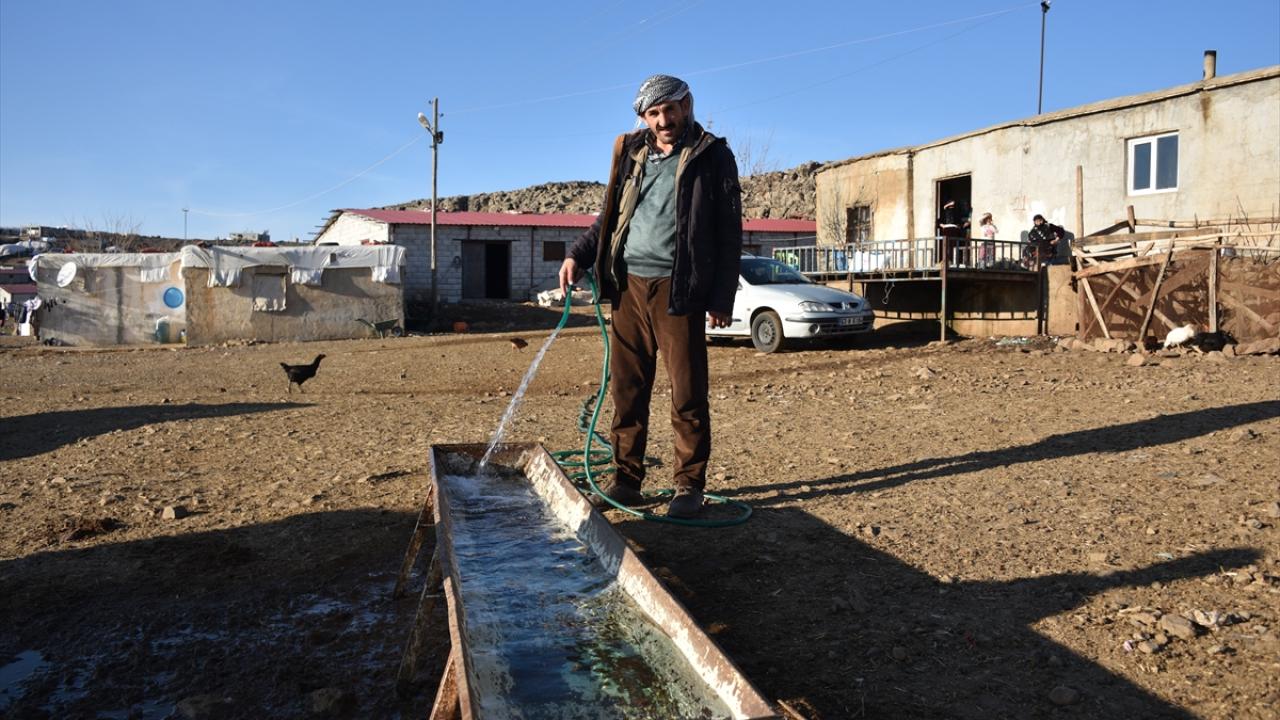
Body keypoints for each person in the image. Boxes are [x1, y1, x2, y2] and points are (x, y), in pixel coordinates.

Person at [559, 74, 742, 519]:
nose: (665, 120)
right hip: (628, 286)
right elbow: (611, 215)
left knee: (687, 389)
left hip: (678, 288)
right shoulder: (631, 153)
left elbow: (728, 231)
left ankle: (688, 486)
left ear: (687, 105)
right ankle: (626, 479)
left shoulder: (712, 156)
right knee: (627, 388)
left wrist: (721, 297)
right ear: (644, 116)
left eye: (672, 109)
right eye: (655, 113)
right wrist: (578, 256)